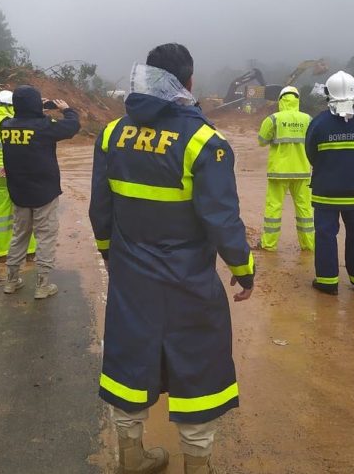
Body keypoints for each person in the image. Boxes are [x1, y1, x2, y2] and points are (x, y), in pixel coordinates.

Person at [89, 43, 254, 474]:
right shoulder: (204, 141)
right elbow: (222, 219)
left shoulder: (111, 135)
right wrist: (243, 269)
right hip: (189, 282)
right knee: (198, 367)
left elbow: (99, 211)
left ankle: (131, 457)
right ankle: (196, 466)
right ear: (189, 82)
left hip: (131, 279)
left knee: (128, 360)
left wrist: (111, 256)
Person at [0, 86, 80, 298]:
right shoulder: (45, 126)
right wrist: (67, 109)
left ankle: (11, 280)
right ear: (36, 104)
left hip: (18, 191)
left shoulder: (5, 125)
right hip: (44, 192)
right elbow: (72, 127)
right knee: (45, 237)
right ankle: (42, 284)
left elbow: (25, 124)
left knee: (19, 235)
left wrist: (35, 108)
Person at [305, 71, 354, 295]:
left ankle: (327, 282)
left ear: (328, 94)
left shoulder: (319, 123)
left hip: (326, 192)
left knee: (326, 235)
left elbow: (311, 154)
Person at [0, 91, 36, 276]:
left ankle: (3, 253)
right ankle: (29, 252)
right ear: (10, 106)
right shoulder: (15, 122)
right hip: (16, 171)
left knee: (1, 214)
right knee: (25, 211)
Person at [256, 85, 315, 252]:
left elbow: (261, 141)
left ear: (280, 100)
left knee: (273, 208)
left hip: (279, 172)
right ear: (297, 100)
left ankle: (269, 244)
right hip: (302, 171)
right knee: (305, 209)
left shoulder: (273, 119)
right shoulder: (308, 119)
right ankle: (308, 244)